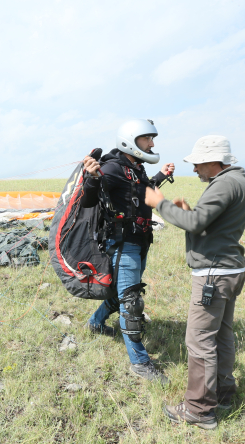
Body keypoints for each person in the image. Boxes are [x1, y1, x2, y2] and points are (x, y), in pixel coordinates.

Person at [144, 135, 245, 429]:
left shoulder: (224, 184)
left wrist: (160, 204)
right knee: (221, 335)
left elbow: (194, 225)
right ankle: (224, 392)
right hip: (228, 270)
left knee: (199, 340)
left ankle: (198, 409)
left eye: (197, 164)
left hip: (213, 275)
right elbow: (208, 223)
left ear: (213, 161)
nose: (194, 170)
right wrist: (188, 211)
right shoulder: (237, 182)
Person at [79, 119, 175, 383]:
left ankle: (95, 324)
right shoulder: (110, 168)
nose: (152, 144)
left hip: (141, 241)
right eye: (147, 139)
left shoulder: (135, 168)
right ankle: (140, 362)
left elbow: (139, 192)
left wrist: (161, 177)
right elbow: (88, 200)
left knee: (122, 293)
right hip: (123, 244)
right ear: (131, 140)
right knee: (131, 303)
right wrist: (91, 177)